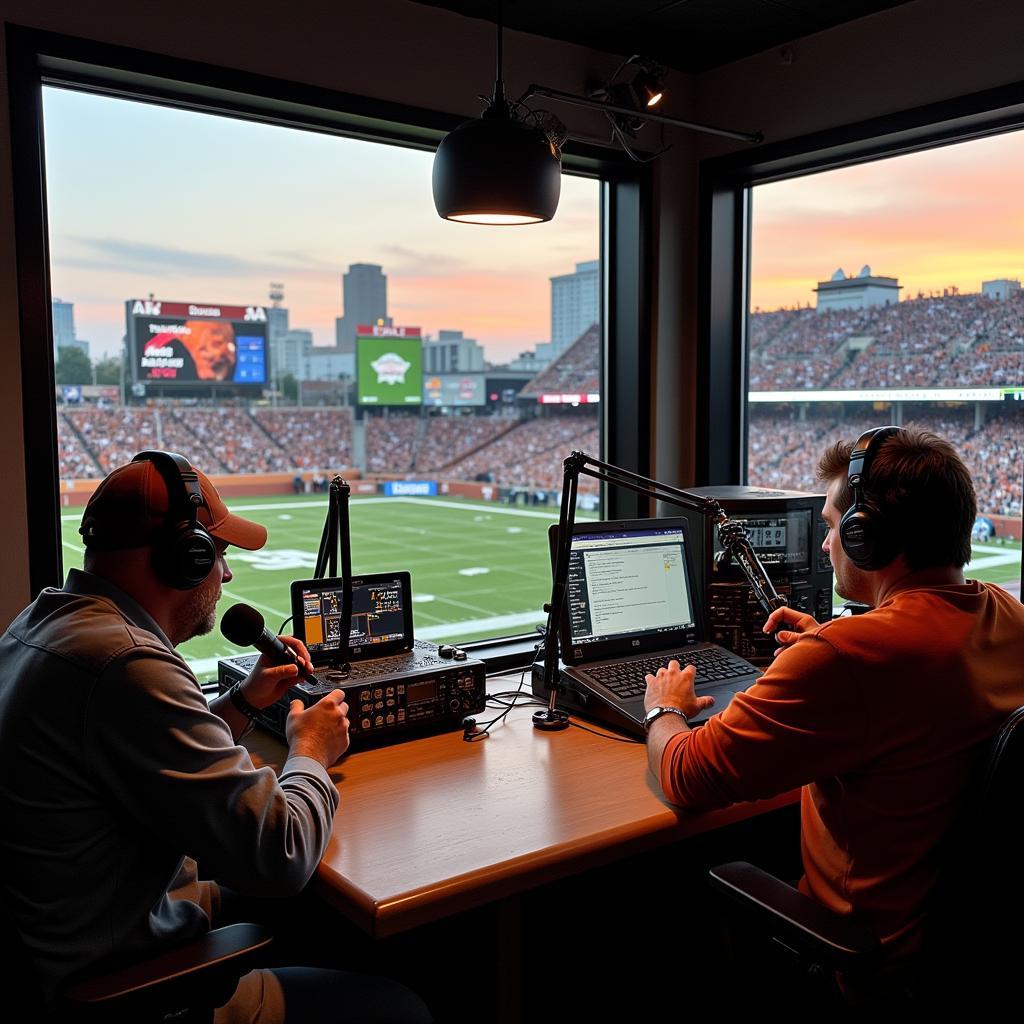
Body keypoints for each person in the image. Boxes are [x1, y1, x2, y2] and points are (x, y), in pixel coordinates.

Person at [0, 451, 430, 1023]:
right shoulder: (127, 663)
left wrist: (242, 703)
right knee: (402, 1007)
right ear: (187, 556)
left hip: (100, 921)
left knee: (334, 911)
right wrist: (312, 751)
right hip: (132, 982)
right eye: (219, 554)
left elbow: (139, 755)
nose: (225, 574)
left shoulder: (46, 623)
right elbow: (282, 854)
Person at [643, 426, 1024, 969]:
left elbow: (687, 776)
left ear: (867, 535)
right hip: (973, 953)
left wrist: (665, 706)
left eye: (831, 526)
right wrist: (828, 644)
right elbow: (913, 683)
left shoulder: (846, 659)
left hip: (862, 963)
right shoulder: (1007, 614)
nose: (826, 544)